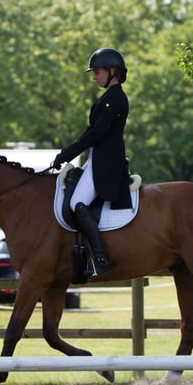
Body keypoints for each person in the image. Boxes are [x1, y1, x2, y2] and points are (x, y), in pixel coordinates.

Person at [52, 47, 132, 276]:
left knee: (78, 203)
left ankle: (100, 258)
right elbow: (91, 132)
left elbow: (96, 134)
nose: (94, 76)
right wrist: (67, 153)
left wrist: (67, 154)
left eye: (97, 71)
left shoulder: (115, 98)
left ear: (113, 71)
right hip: (96, 159)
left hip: (106, 163)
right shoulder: (107, 97)